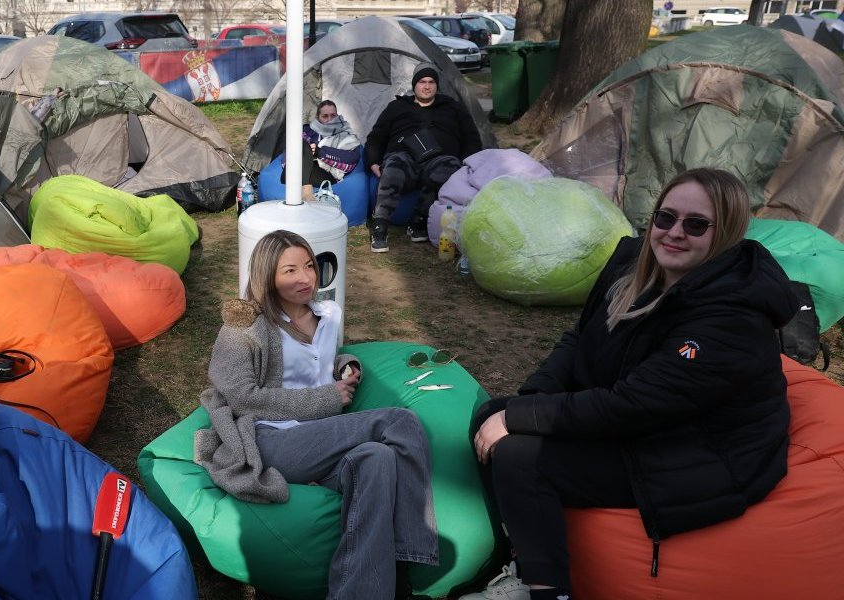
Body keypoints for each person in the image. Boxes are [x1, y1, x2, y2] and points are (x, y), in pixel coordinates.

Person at [462, 168, 799, 600]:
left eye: (696, 224)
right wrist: (532, 401)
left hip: (700, 450)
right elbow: (580, 338)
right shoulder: (635, 260)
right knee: (491, 416)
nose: (674, 233)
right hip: (647, 421)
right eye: (665, 217)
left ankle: (547, 591)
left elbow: (636, 405)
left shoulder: (732, 317)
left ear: (727, 232)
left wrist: (523, 419)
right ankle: (521, 554)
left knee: (519, 455)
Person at [194, 229, 439, 600]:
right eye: (289, 270)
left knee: (377, 458)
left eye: (309, 266)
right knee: (400, 421)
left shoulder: (327, 314)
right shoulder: (244, 328)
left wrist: (345, 365)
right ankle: (410, 557)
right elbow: (242, 399)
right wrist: (327, 398)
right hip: (270, 439)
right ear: (267, 276)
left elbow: (320, 360)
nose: (305, 277)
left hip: (320, 439)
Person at [365, 65, 481, 253]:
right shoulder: (397, 107)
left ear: (437, 85)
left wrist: (465, 164)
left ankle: (419, 221)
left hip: (438, 160)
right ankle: (380, 225)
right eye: (422, 82)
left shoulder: (452, 107)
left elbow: (472, 138)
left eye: (431, 82)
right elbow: (376, 137)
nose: (427, 86)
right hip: (404, 159)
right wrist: (373, 161)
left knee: (448, 166)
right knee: (394, 165)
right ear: (414, 85)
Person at [282, 100, 362, 202]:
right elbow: (289, 151)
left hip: (327, 175)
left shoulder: (346, 133)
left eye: (333, 115)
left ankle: (305, 193)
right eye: (325, 116)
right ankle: (306, 192)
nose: (330, 119)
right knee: (299, 142)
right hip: (297, 169)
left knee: (298, 161)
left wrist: (320, 152)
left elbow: (352, 158)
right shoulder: (308, 131)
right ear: (318, 118)